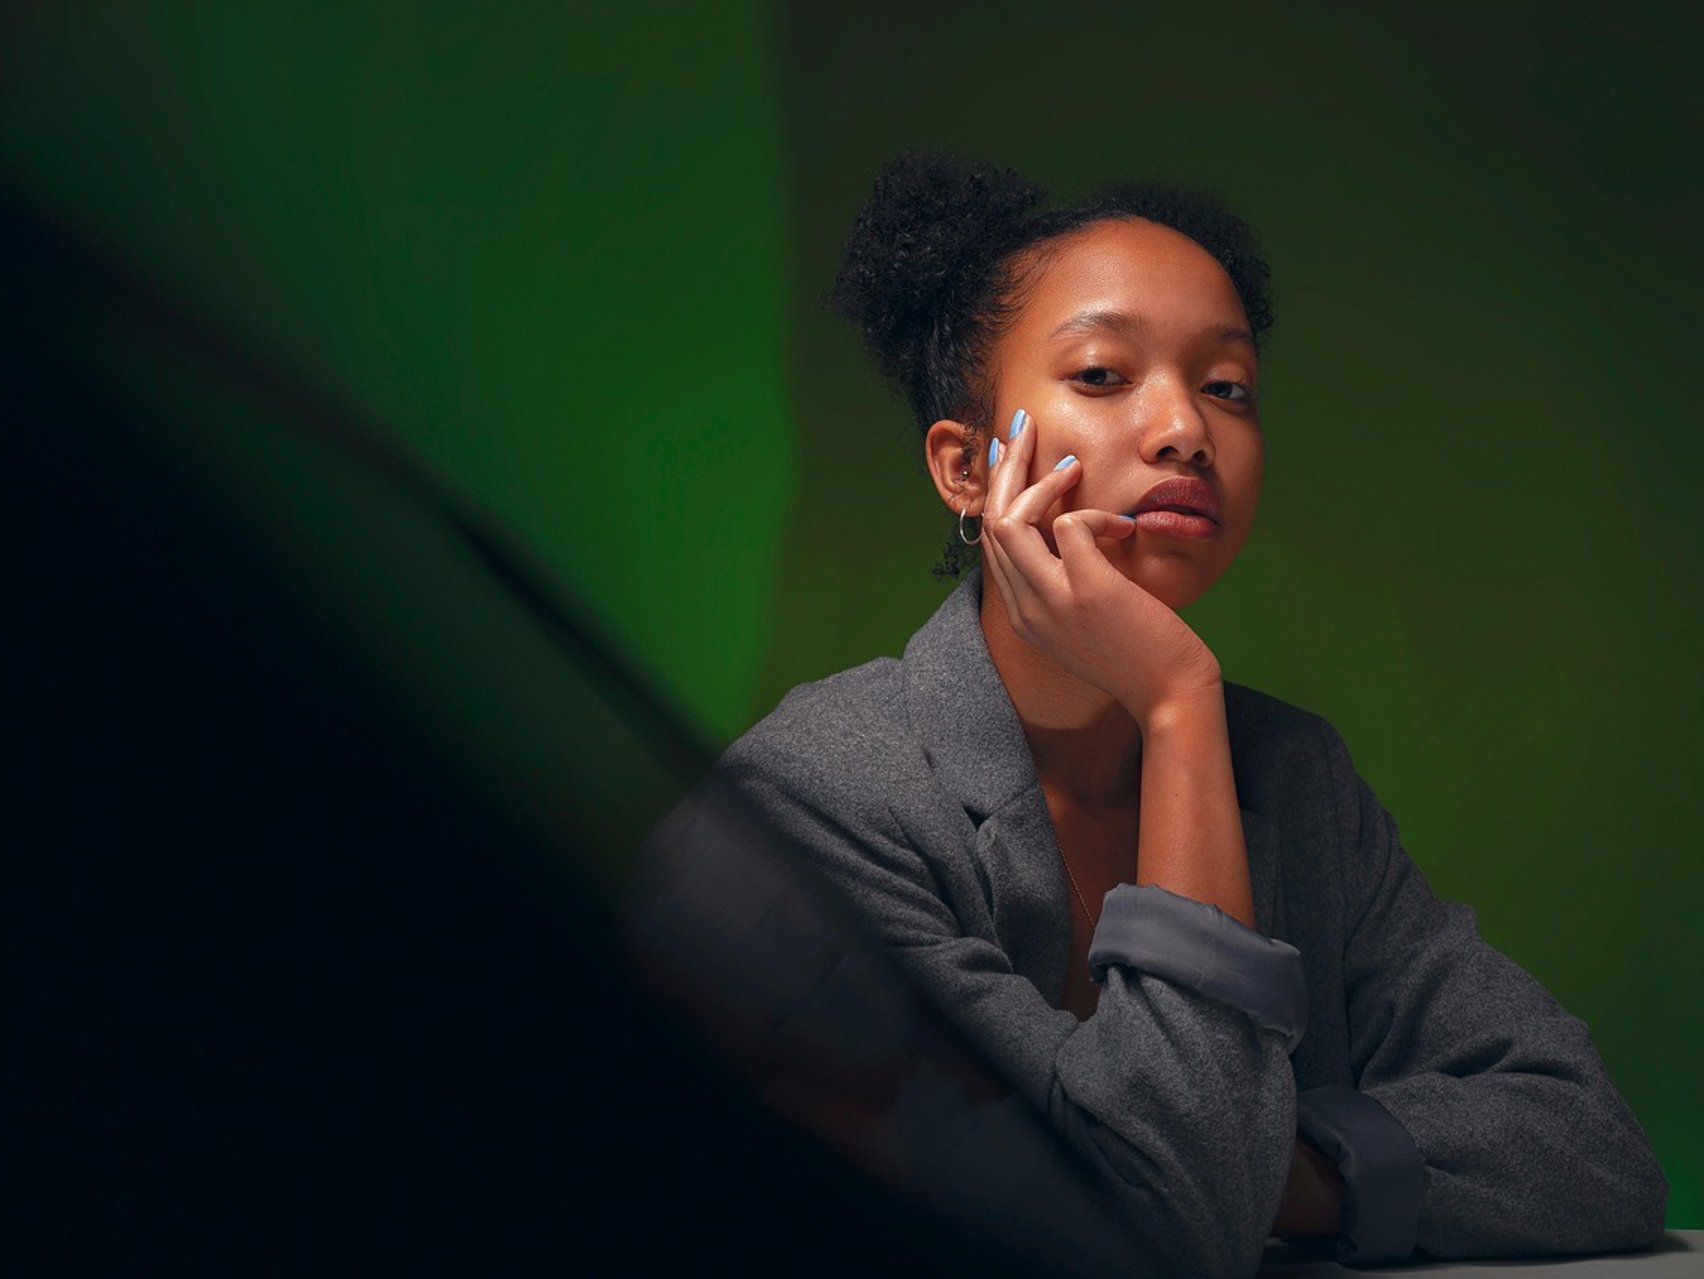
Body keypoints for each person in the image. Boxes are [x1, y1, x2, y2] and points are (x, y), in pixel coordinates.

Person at [675, 153, 1667, 1274]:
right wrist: (1178, 694)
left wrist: (1280, 1170)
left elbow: (1595, 1150)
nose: (1184, 428)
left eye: (1227, 386)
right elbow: (1169, 1229)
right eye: (1103, 374)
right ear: (965, 467)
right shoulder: (813, 798)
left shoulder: (1291, 779)